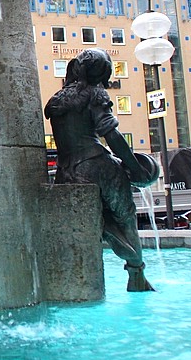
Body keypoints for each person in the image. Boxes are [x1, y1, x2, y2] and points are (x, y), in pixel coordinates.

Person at [44, 48, 156, 292]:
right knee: (126, 216)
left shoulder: (57, 100)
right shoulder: (95, 94)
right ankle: (136, 273)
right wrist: (134, 167)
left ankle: (104, 229)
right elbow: (111, 134)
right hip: (97, 166)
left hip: (67, 172)